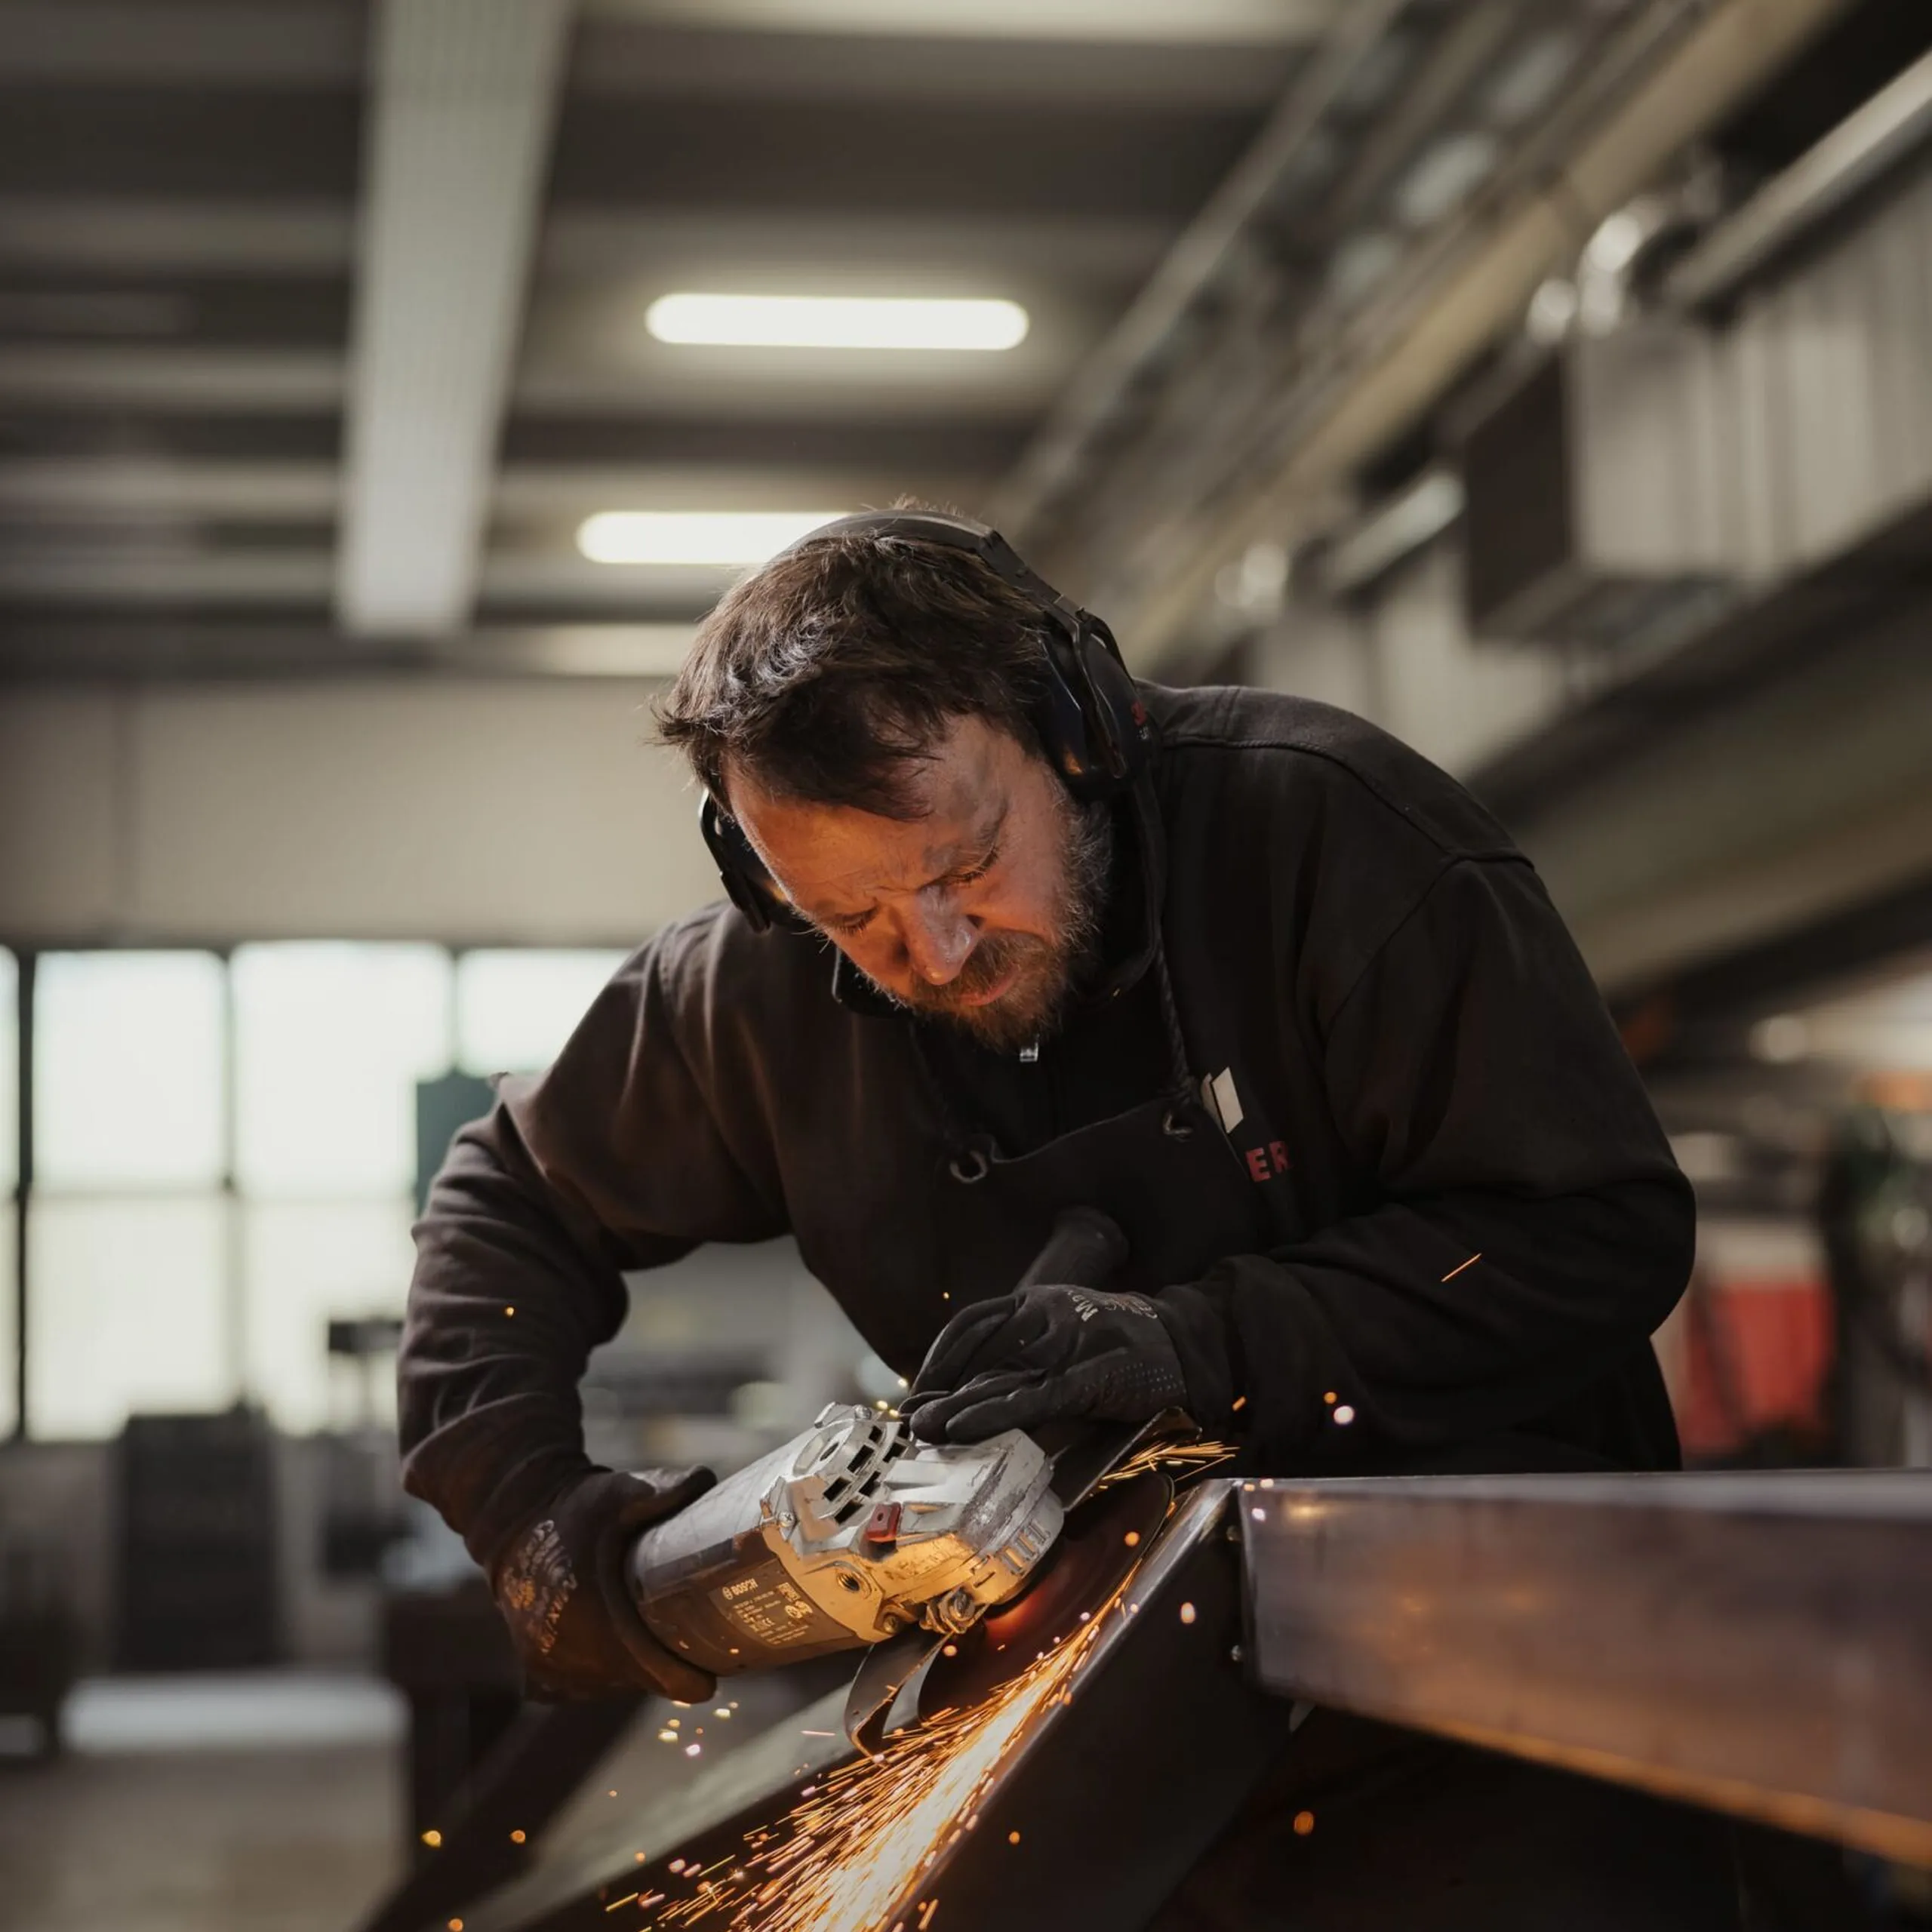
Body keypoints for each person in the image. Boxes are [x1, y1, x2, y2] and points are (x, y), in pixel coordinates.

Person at [400, 509, 1732, 1924]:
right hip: (1098, 1744)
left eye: (967, 868)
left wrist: (1204, 1346)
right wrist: (532, 1516)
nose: (934, 953)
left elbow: (1597, 1228)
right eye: (854, 918)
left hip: (1493, 1725)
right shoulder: (763, 989)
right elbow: (510, 1195)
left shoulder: (1327, 837)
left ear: (1077, 729)